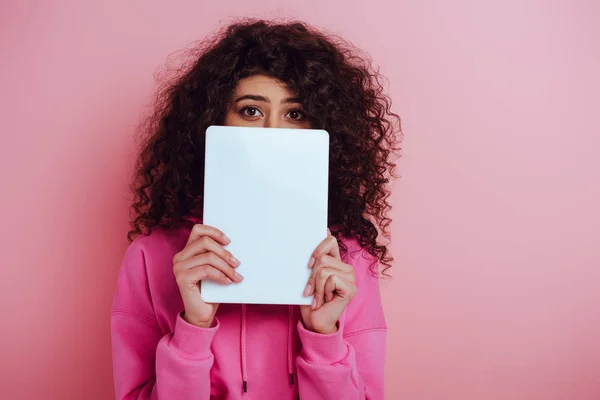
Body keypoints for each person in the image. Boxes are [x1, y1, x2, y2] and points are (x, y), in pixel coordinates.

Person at [111, 19, 400, 400]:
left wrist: (323, 336)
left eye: (296, 114)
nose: (272, 132)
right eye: (250, 111)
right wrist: (194, 327)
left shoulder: (350, 260)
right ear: (212, 121)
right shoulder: (151, 257)